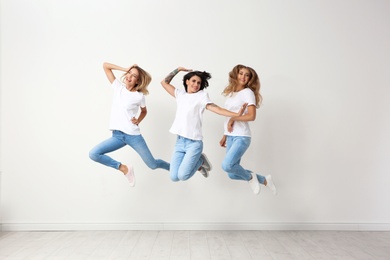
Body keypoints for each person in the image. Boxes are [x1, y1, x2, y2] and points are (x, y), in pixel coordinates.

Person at [89, 62, 170, 187]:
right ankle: (124, 169)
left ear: (138, 81)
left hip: (133, 136)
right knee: (94, 154)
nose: (129, 76)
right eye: (129, 73)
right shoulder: (118, 88)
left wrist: (138, 120)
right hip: (117, 136)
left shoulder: (139, 96)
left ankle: (174, 169)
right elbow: (105, 65)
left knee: (152, 165)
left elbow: (144, 111)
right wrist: (125, 68)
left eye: (134, 76)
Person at [161, 67, 246, 182]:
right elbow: (164, 82)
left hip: (194, 143)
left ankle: (200, 161)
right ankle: (200, 163)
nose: (196, 84)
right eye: (193, 81)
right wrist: (178, 70)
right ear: (187, 81)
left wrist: (236, 114)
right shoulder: (180, 94)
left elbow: (216, 108)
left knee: (183, 176)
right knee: (174, 177)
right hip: (180, 142)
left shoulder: (201, 96)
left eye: (199, 83)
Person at [219, 64, 277, 195]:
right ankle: (265, 180)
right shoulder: (231, 94)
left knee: (226, 166)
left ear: (250, 79)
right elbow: (229, 115)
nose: (243, 77)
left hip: (242, 137)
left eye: (247, 75)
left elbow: (251, 116)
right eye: (241, 73)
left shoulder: (248, 93)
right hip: (231, 136)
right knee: (231, 174)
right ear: (236, 74)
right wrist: (225, 135)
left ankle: (251, 178)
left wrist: (234, 118)